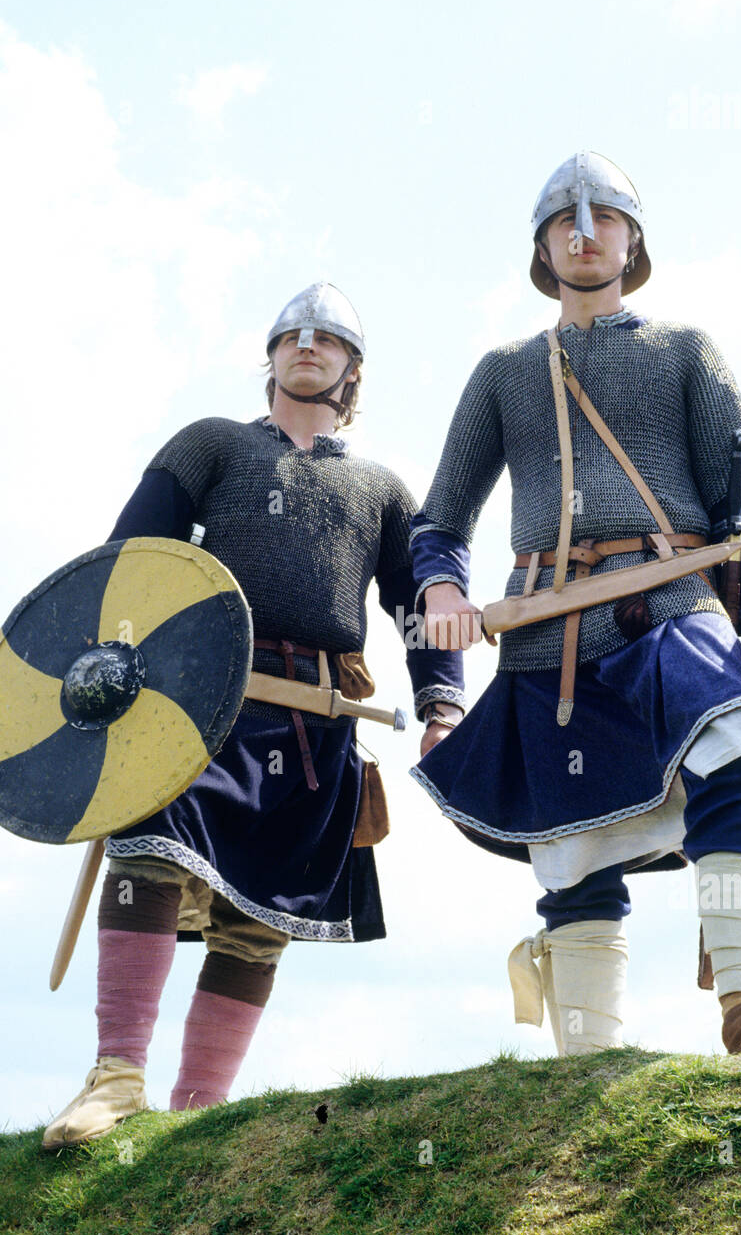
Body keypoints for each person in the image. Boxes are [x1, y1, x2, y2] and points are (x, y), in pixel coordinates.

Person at [409, 151, 741, 1058]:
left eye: (603, 217)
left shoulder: (684, 350)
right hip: (546, 633)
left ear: (631, 240)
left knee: (735, 770)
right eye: (565, 221)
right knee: (568, 835)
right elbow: (439, 521)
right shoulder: (502, 373)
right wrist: (444, 586)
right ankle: (589, 1055)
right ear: (541, 245)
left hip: (674, 609)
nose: (583, 232)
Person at [42, 281, 463, 1149]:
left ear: (352, 368)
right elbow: (130, 561)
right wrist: (105, 677)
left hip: (316, 719)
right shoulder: (210, 446)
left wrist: (440, 700)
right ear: (270, 356)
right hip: (198, 701)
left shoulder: (383, 490)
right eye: (291, 334)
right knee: (148, 847)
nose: (306, 343)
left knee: (263, 915)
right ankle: (117, 1076)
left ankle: (196, 1117)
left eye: (326, 337)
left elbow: (418, 600)